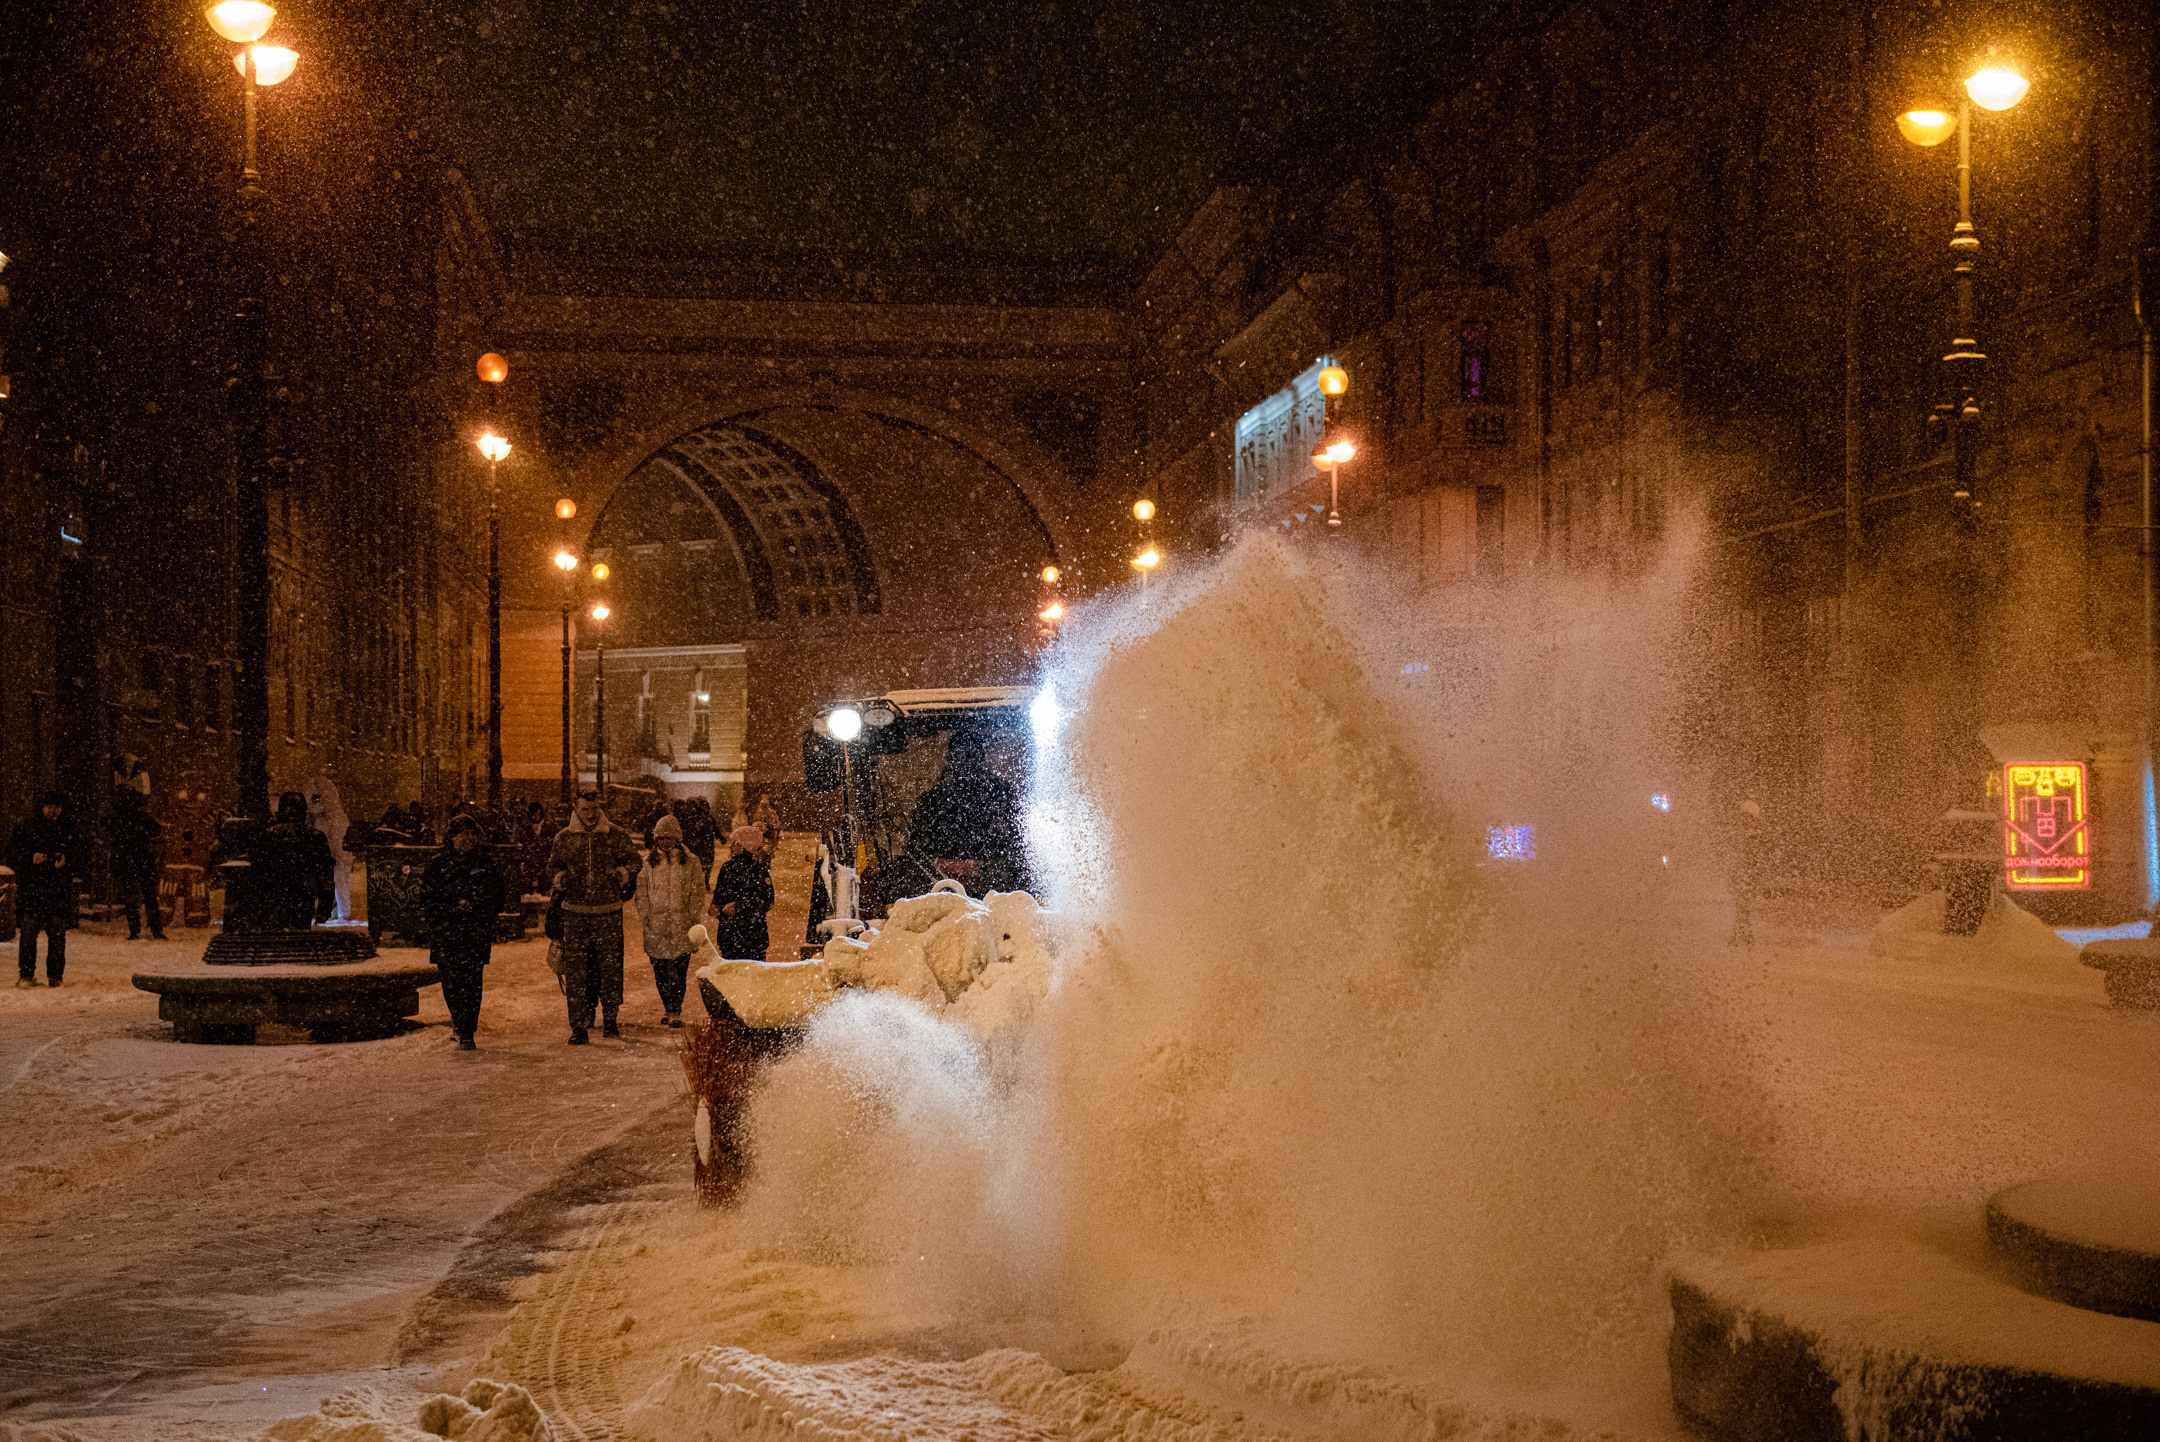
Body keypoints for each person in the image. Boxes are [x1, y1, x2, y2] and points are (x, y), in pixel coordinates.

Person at [548, 790, 643, 1044]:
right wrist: (561, 879)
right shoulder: (564, 838)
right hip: (574, 913)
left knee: (610, 968)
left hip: (608, 911)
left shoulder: (615, 835)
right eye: (585, 810)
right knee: (576, 972)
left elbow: (635, 862)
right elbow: (552, 867)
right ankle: (578, 1026)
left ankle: (610, 1019)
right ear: (576, 809)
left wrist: (620, 874)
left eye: (594, 809)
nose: (590, 814)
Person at [420, 814, 507, 1049]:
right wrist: (443, 915)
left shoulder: (484, 863)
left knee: (472, 982)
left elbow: (498, 894)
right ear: (453, 837)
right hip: (447, 934)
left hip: (474, 933)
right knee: (450, 983)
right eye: (463, 834)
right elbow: (427, 898)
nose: (468, 839)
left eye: (472, 833)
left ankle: (467, 1028)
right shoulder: (438, 864)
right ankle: (459, 1022)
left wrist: (481, 913)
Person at [905, 730, 1026, 896]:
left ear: (981, 758)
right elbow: (916, 846)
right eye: (959, 756)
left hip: (993, 882)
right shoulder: (933, 799)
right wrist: (941, 863)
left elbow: (1018, 842)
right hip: (940, 882)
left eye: (970, 755)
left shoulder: (1001, 794)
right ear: (951, 758)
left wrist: (982, 865)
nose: (965, 762)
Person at [634, 813, 706, 1027]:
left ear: (678, 839)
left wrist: (692, 916)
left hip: (682, 925)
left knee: (678, 970)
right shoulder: (647, 863)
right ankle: (668, 1006)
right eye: (661, 838)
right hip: (656, 926)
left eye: (669, 838)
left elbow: (697, 890)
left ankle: (675, 1009)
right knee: (661, 971)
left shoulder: (690, 862)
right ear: (656, 840)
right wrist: (646, 917)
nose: (666, 842)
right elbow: (642, 893)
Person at [8, 792, 77, 986]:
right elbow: (11, 852)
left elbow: (79, 855)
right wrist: (31, 858)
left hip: (53, 891)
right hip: (36, 890)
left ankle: (51, 976)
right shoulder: (28, 827)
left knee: (54, 934)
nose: (53, 811)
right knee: (31, 933)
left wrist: (66, 859)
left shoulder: (64, 829)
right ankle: (29, 974)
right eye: (50, 807)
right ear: (42, 807)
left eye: (56, 807)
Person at [254, 791, 336, 930]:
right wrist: (324, 908)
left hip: (274, 898)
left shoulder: (269, 836)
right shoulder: (315, 837)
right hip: (303, 898)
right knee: (299, 933)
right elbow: (325, 875)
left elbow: (258, 872)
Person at [710, 823, 775, 961]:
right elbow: (719, 896)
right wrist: (717, 907)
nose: (731, 847)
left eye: (735, 843)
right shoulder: (727, 868)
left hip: (751, 936)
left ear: (746, 845)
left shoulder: (758, 870)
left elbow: (766, 901)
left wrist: (739, 906)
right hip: (731, 935)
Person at [109, 786, 167, 941]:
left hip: (128, 861)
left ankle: (135, 930)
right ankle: (155, 930)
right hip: (143, 860)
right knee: (149, 897)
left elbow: (110, 829)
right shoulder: (142, 818)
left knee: (132, 897)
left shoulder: (118, 819)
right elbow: (156, 830)